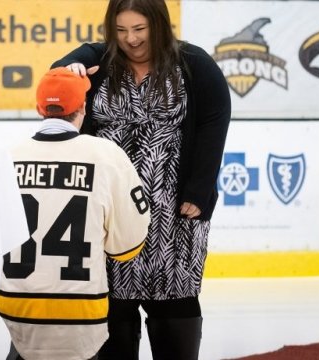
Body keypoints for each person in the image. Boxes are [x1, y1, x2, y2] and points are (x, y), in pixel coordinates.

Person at [51, 0, 232, 359]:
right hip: (107, 211)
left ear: (159, 25)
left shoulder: (194, 65)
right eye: (120, 31)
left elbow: (214, 123)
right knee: (112, 302)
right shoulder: (98, 63)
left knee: (175, 300)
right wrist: (69, 65)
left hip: (174, 211)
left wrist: (199, 189)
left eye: (139, 29)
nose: (130, 39)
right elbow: (56, 81)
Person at [0, 67, 152, 360]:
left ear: (40, 108)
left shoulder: (4, 157)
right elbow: (127, 247)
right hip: (82, 309)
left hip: (14, 305)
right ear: (83, 107)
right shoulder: (107, 155)